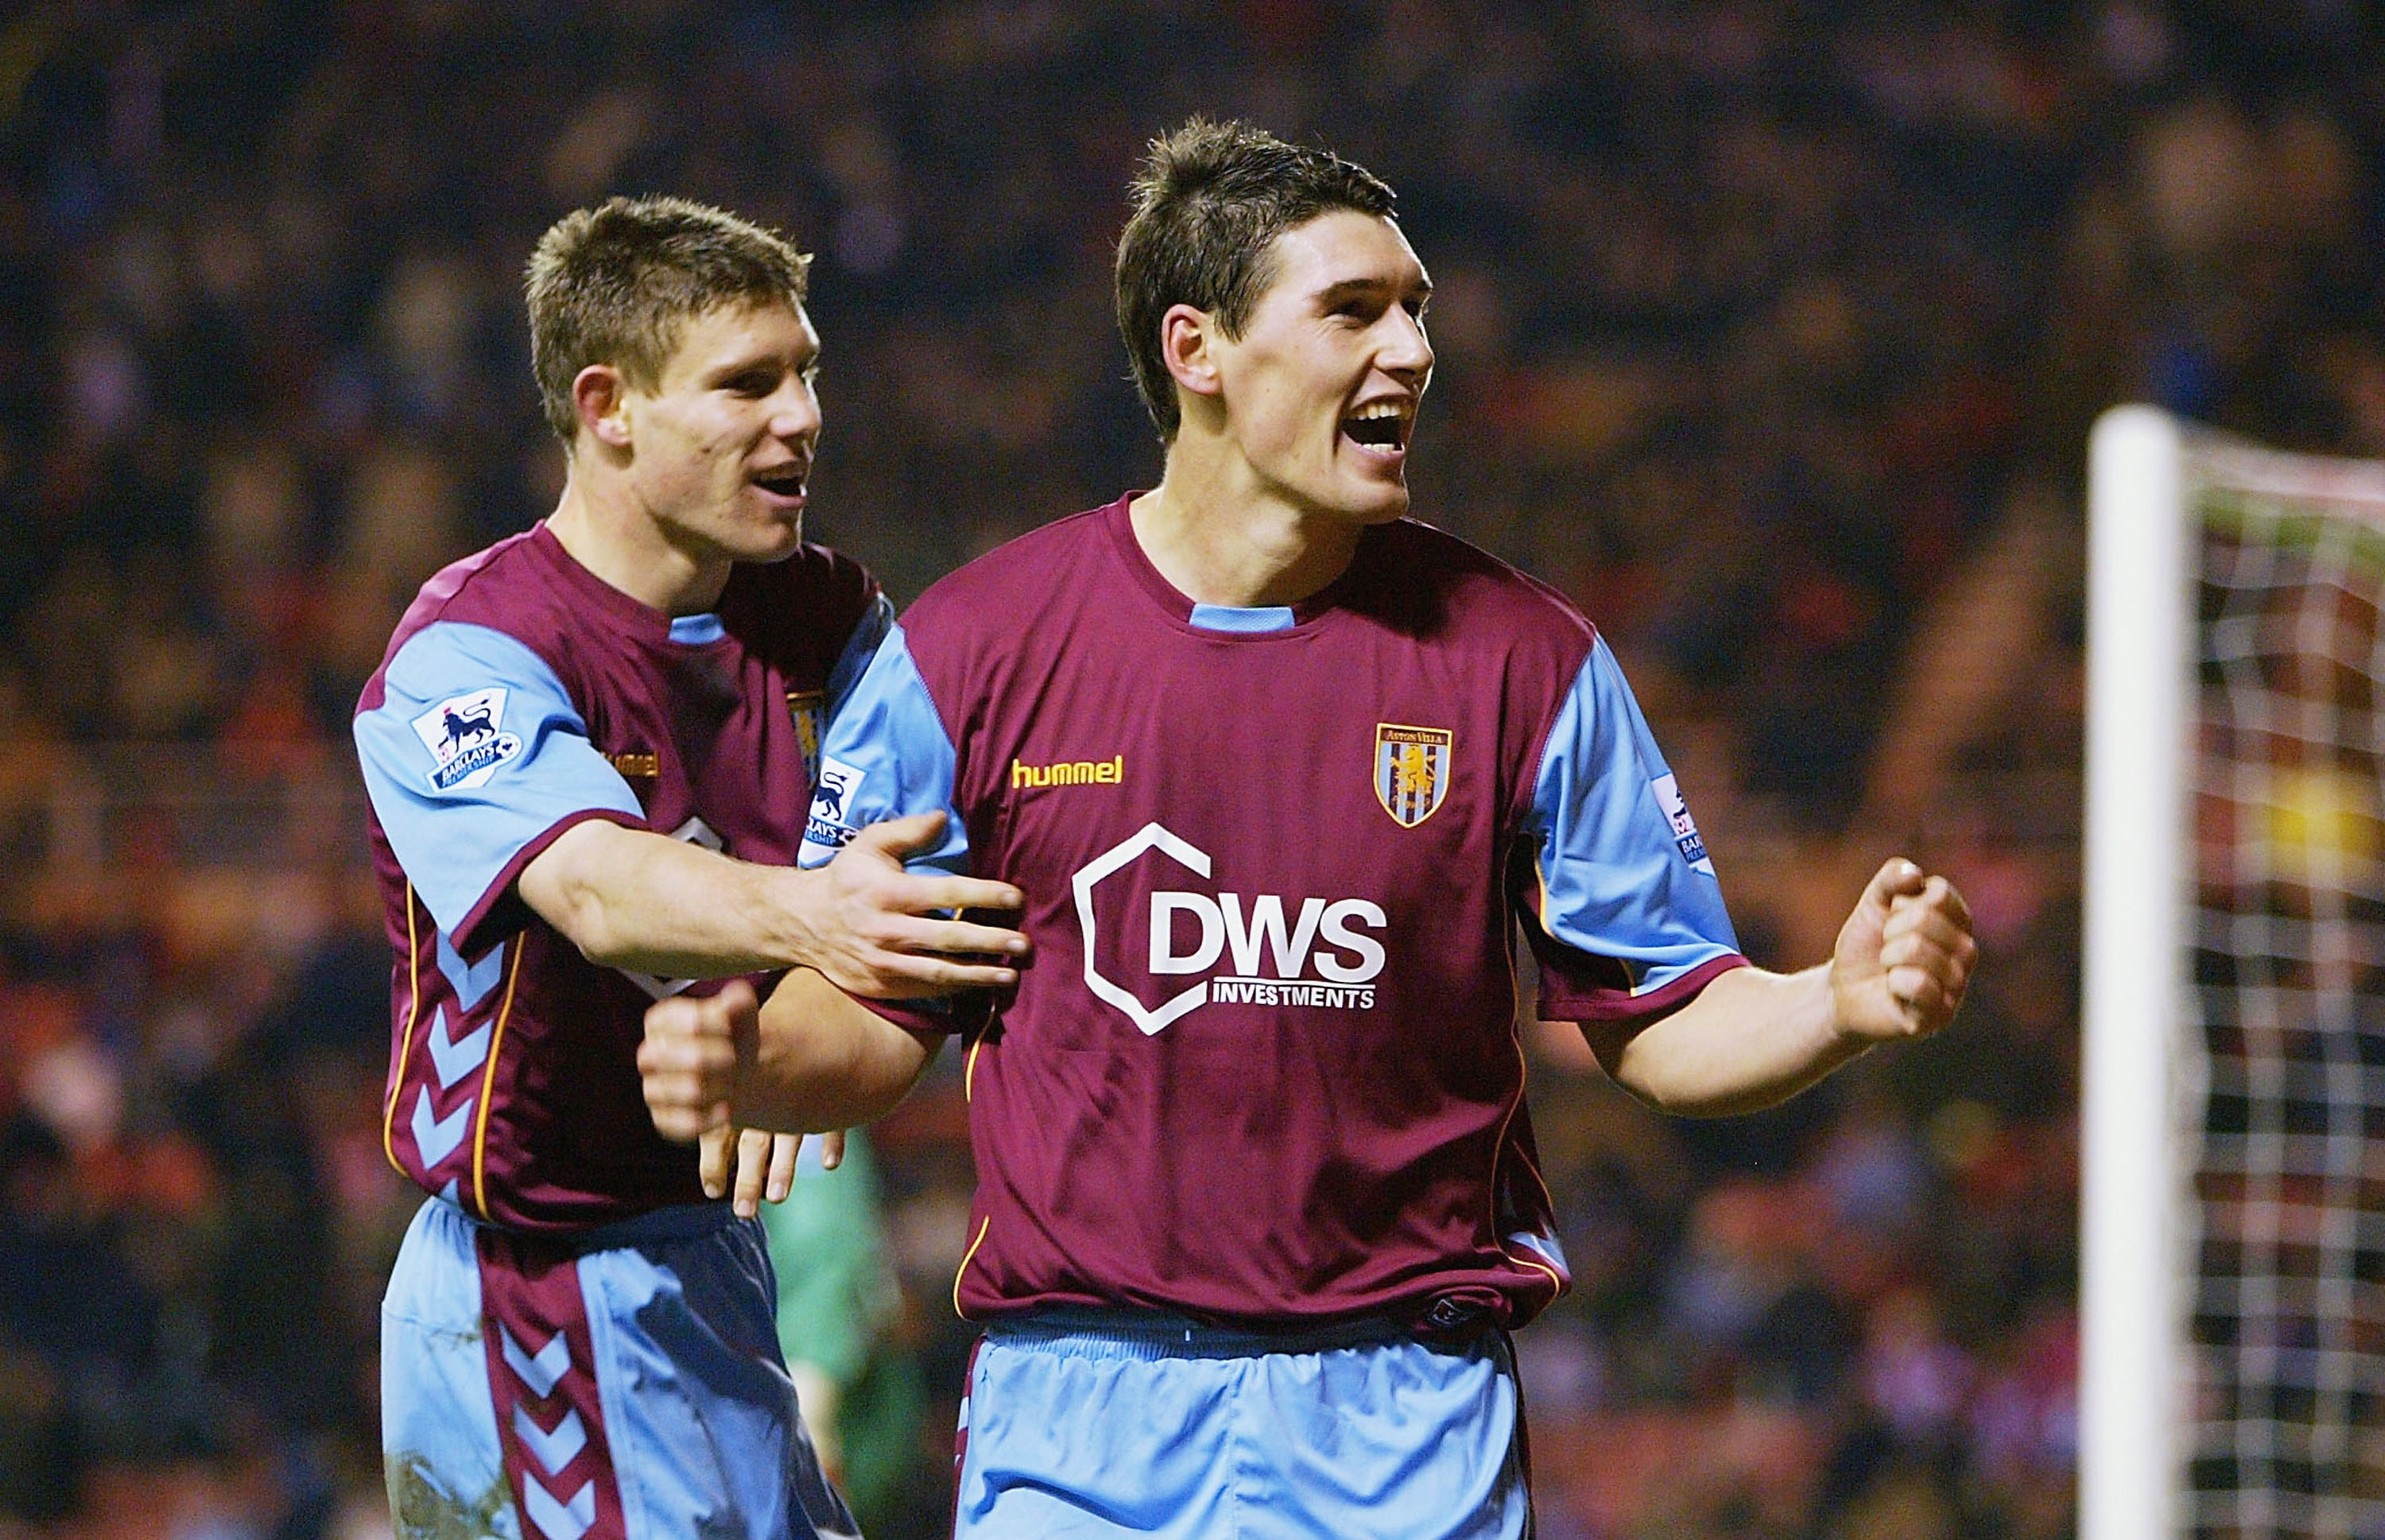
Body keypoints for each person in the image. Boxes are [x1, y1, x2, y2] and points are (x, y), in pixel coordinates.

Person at [638, 122, 1976, 1538]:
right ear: (1197, 350)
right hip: (1082, 1406)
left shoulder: (1525, 660)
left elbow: (1665, 1020)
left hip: (1408, 1414)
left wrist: (1835, 1001)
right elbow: (873, 1016)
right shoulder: (968, 652)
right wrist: (748, 1052)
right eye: (1353, 310)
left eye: (1416, 312)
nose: (1410, 351)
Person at [352, 194, 1026, 1540]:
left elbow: (945, 816)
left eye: (808, 373)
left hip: (715, 1254)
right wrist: (818, 922)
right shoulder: (467, 653)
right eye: (749, 383)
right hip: (530, 1287)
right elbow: (602, 891)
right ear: (609, 406)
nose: (803, 416)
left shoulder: (821, 618)